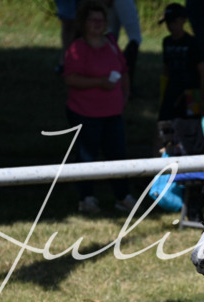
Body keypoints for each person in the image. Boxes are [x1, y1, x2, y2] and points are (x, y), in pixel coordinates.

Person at [64, 0, 137, 214]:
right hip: (84, 112)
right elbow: (71, 79)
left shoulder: (112, 43)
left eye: (101, 20)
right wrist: (100, 83)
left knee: (118, 155)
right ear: (84, 23)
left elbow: (123, 70)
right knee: (87, 156)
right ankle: (86, 198)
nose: (97, 24)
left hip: (113, 112)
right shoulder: (77, 48)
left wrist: (125, 94)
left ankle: (122, 196)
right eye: (92, 20)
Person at [159, 3, 204, 155]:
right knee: (164, 123)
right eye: (168, 23)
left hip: (191, 92)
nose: (171, 26)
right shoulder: (166, 42)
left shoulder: (192, 43)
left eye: (174, 21)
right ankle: (164, 153)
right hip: (172, 89)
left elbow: (202, 70)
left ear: (183, 21)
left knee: (189, 126)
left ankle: (189, 155)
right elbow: (166, 69)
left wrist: (202, 94)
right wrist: (162, 91)